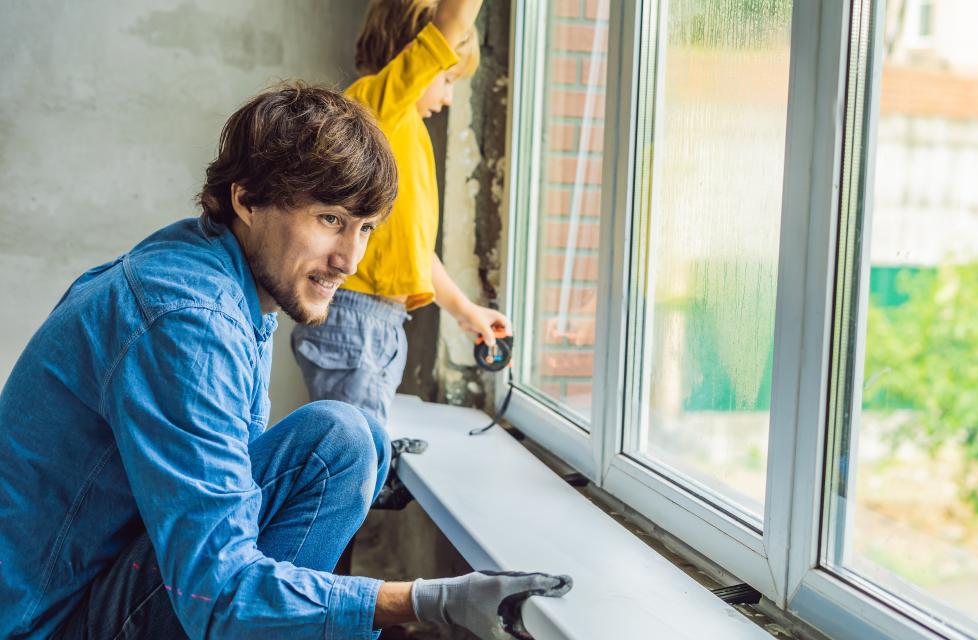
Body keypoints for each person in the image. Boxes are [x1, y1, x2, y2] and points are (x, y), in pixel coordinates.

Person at [0, 84, 570, 640]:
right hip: (46, 622)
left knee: (347, 442)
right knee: (342, 444)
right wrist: (431, 601)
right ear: (247, 199)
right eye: (330, 219)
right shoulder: (189, 321)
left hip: (96, 580)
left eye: (364, 228)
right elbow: (218, 596)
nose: (350, 259)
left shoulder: (217, 271)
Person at [291, 0, 509, 433]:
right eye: (446, 78)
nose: (447, 98)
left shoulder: (402, 131)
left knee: (359, 449)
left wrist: (464, 309)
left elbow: (416, 252)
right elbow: (451, 23)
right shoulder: (375, 107)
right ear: (417, 53)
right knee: (355, 454)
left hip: (378, 322)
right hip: (358, 320)